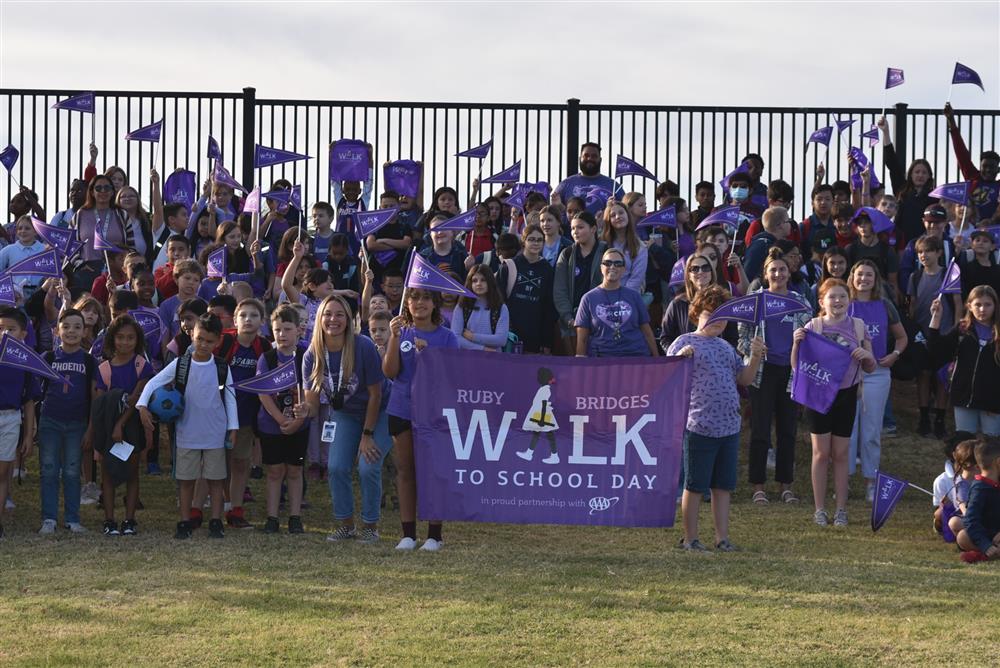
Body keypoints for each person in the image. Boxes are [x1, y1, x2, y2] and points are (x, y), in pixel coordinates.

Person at [668, 286, 766, 552]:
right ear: (697, 313)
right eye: (711, 314)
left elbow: (744, 379)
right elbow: (668, 375)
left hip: (729, 426)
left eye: (723, 316)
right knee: (695, 485)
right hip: (698, 425)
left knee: (723, 486)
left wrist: (755, 357)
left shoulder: (726, 347)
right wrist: (681, 357)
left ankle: (722, 538)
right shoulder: (684, 341)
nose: (717, 321)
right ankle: (690, 538)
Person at [298, 296, 391, 543]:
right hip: (346, 413)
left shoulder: (363, 346)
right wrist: (301, 411)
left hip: (380, 411)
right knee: (337, 467)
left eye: (340, 314)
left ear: (349, 320)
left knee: (368, 466)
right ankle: (346, 525)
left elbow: (376, 394)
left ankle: (370, 527)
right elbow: (313, 404)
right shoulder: (312, 355)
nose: (333, 319)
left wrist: (367, 435)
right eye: (328, 314)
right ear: (319, 318)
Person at [138, 313, 237, 540]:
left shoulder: (222, 367)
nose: (203, 344)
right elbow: (154, 381)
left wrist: (233, 427)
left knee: (215, 479)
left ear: (218, 341)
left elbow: (231, 398)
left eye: (209, 341)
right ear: (192, 334)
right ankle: (184, 520)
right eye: (199, 338)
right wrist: (142, 405)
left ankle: (215, 521)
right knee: (186, 480)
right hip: (186, 432)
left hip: (215, 432)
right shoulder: (180, 364)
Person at [792, 278, 876, 527]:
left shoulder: (859, 326)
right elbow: (797, 367)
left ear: (849, 301)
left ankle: (841, 510)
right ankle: (820, 509)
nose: (837, 301)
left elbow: (871, 366)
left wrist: (866, 356)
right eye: (832, 297)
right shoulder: (813, 326)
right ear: (822, 301)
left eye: (842, 296)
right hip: (819, 396)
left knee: (841, 454)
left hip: (847, 394)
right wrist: (797, 343)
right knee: (820, 453)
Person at [383, 288, 459, 551]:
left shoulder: (447, 337)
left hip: (434, 414)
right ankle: (408, 534)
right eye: (414, 298)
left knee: (434, 473)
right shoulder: (400, 332)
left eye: (426, 298)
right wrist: (393, 338)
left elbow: (452, 378)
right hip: (401, 409)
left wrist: (429, 356)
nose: (419, 303)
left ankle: (434, 535)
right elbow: (390, 372)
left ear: (435, 303)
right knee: (405, 471)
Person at [739, 248, 812, 505]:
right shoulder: (755, 301)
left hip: (791, 373)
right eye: (773, 270)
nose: (778, 273)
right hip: (761, 372)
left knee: (788, 431)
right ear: (765, 273)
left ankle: (785, 485)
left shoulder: (800, 301)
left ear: (788, 271)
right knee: (760, 430)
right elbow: (742, 337)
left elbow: (811, 337)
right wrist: (753, 349)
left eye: (782, 269)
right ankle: (758, 486)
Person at [847, 260, 908, 502]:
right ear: (852, 277)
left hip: (877, 375)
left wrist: (895, 355)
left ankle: (871, 481)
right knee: (847, 431)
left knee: (871, 430)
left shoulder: (885, 305)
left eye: (869, 275)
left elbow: (902, 338)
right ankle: (845, 480)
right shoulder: (844, 304)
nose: (864, 278)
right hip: (847, 376)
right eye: (859, 274)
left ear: (876, 279)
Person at [94, 315, 154, 536]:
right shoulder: (104, 369)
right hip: (109, 428)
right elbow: (99, 403)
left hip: (132, 427)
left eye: (130, 338)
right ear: (112, 339)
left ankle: (129, 520)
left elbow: (137, 399)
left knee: (131, 473)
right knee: (107, 475)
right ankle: (109, 520)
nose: (125, 342)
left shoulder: (141, 366)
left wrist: (121, 424)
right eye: (120, 337)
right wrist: (96, 432)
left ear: (137, 340)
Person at [37, 309, 96, 535]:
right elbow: (36, 391)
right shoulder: (48, 358)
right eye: (66, 326)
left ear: (84, 331)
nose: (71, 331)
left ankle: (72, 519)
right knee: (49, 469)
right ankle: (49, 518)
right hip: (50, 422)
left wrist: (90, 428)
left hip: (76, 424)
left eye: (77, 327)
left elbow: (93, 395)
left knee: (72, 472)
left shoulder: (89, 361)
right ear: (57, 330)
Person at [253, 305, 308, 534]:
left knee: (295, 470)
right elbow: (263, 392)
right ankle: (272, 517)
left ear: (299, 330)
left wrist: (295, 421)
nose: (282, 334)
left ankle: (295, 517)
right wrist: (279, 419)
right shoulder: (267, 358)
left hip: (299, 424)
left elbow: (310, 389)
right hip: (271, 424)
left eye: (287, 329)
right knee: (275, 471)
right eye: (277, 330)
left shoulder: (306, 355)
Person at [217, 298, 271, 529]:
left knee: (240, 464)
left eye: (254, 315)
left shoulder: (265, 347)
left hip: (246, 417)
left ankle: (236, 511)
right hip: (218, 415)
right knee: (219, 465)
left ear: (262, 321)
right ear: (235, 319)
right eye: (243, 315)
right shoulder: (225, 342)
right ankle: (220, 507)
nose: (248, 320)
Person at [929, 285, 1000, 437]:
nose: (982, 309)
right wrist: (936, 318)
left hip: (992, 400)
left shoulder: (998, 333)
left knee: (991, 445)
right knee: (964, 443)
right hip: (963, 396)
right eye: (978, 305)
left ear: (995, 306)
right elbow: (936, 349)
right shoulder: (962, 329)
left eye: (987, 304)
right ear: (969, 306)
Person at [908, 236, 960, 437]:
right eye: (920, 252)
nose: (924, 255)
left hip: (944, 333)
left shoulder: (948, 275)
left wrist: (955, 330)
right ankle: (923, 418)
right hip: (922, 335)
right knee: (923, 375)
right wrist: (914, 330)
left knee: (941, 378)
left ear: (939, 252)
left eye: (928, 251)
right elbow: (912, 305)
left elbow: (958, 303)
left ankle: (939, 420)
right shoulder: (915, 277)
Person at [0, 307, 40, 539]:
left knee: (3, 473)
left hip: (10, 419)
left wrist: (28, 435)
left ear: (23, 334)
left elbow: (29, 402)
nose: (4, 334)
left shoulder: (25, 361)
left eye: (10, 329)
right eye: (0, 328)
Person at [575, 248, 659, 358]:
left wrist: (657, 360)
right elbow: (582, 339)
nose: (612, 267)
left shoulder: (634, 296)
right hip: (602, 360)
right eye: (608, 263)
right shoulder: (588, 298)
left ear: (624, 269)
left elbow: (647, 332)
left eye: (618, 263)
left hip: (636, 357)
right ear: (601, 268)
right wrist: (580, 366)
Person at [554, 211, 607, 354]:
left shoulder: (606, 252)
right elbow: (559, 290)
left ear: (593, 229)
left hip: (600, 322)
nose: (575, 232)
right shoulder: (566, 254)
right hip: (571, 324)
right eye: (572, 228)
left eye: (580, 227)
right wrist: (568, 318)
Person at [497, 224, 555, 353]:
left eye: (539, 240)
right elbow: (499, 301)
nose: (536, 243)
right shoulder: (508, 266)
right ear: (524, 240)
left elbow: (549, 306)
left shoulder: (547, 269)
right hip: (509, 334)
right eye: (531, 239)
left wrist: (547, 341)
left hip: (535, 336)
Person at [660, 254, 738, 349]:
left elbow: (733, 337)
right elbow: (665, 338)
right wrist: (678, 354)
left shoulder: (724, 302)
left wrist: (724, 354)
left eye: (705, 268)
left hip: (718, 360)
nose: (700, 272)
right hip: (686, 360)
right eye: (695, 269)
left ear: (711, 272)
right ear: (688, 275)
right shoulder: (677, 304)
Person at [944, 103, 999, 222]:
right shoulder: (972, 176)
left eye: (992, 167)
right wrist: (951, 120)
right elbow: (961, 153)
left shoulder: (998, 186)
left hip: (991, 231)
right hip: (968, 228)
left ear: (998, 170)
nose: (988, 170)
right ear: (980, 167)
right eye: (985, 166)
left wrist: (992, 220)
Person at [955, 438, 1000, 562]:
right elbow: (971, 520)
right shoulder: (979, 489)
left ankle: (990, 555)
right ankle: (989, 553)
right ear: (998, 463)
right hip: (987, 535)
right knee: (963, 537)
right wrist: (985, 544)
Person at [553, 143, 624, 216]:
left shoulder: (613, 186)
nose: (589, 159)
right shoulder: (565, 184)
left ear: (600, 160)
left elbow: (626, 211)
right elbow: (552, 213)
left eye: (594, 156)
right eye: (586, 155)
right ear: (580, 158)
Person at [452, 264, 510, 351]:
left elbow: (501, 340)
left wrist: (473, 337)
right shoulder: (462, 306)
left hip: (494, 359)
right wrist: (482, 349)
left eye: (483, 280)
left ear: (490, 282)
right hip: (467, 359)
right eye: (474, 280)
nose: (479, 283)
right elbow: (455, 337)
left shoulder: (501, 308)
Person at [602, 199, 648, 295]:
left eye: (621, 213)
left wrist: (620, 297)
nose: (618, 217)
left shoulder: (640, 247)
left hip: (628, 296)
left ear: (628, 215)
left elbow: (636, 279)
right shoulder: (602, 244)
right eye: (613, 215)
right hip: (603, 294)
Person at [0, 215, 47, 301]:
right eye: (20, 228)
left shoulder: (44, 249)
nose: (23, 231)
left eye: (27, 228)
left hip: (40, 292)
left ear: (36, 231)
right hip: (16, 294)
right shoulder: (8, 250)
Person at [743, 207, 792, 282]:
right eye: (788, 221)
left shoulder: (764, 243)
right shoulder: (764, 246)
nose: (790, 224)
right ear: (780, 225)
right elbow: (749, 274)